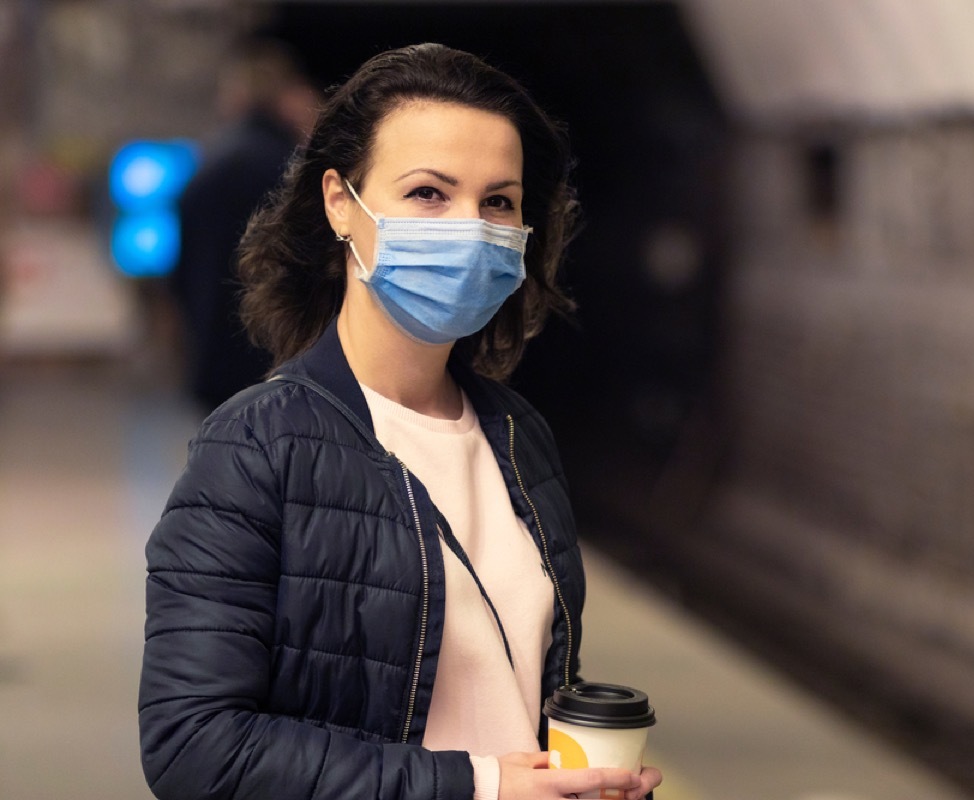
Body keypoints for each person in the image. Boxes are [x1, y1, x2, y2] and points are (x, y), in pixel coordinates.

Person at [138, 43, 663, 800]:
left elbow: (517, 693)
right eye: (427, 193)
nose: (470, 228)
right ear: (339, 202)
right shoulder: (254, 448)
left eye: (499, 202)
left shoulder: (520, 439)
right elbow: (193, 747)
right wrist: (478, 786)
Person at [169, 38, 321, 411]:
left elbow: (180, 270)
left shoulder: (208, 164)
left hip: (213, 347)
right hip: (278, 352)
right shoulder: (293, 168)